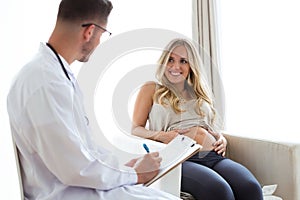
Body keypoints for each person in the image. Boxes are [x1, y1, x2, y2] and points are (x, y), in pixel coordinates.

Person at [7, 0, 181, 199]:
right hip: (70, 193)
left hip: (80, 187)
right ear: (89, 32)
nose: (99, 42)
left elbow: (84, 151)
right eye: (103, 34)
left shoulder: (54, 74)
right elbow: (75, 167)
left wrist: (124, 169)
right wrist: (134, 174)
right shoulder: (45, 81)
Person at [131, 38, 263, 200]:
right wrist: (163, 135)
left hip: (213, 155)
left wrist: (220, 138)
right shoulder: (152, 88)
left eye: (183, 61)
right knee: (219, 191)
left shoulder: (198, 92)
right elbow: (136, 129)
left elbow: (208, 127)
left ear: (191, 65)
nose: (175, 66)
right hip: (179, 160)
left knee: (251, 187)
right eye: (170, 60)